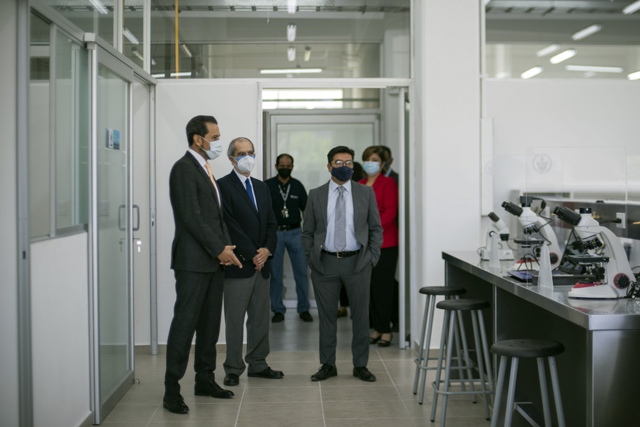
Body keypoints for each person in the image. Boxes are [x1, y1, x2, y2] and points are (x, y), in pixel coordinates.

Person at [163, 115, 242, 415]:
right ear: (199, 138)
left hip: (213, 262)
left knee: (210, 326)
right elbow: (191, 217)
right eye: (215, 136)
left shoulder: (205, 168)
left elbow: (215, 217)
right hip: (193, 263)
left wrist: (225, 248)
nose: (218, 141)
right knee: (185, 325)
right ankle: (172, 391)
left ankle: (204, 380)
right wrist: (218, 249)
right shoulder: (184, 169)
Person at [302, 146, 384, 382]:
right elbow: (307, 231)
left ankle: (360, 365)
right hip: (324, 264)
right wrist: (311, 258)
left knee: (360, 316)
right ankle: (328, 364)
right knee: (327, 318)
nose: (345, 166)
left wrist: (371, 258)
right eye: (339, 162)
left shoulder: (365, 193)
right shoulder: (316, 194)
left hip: (357, 263)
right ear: (329, 166)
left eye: (349, 162)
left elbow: (376, 229)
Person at [217, 137, 283, 387]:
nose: (248, 157)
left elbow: (271, 223)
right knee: (235, 319)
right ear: (232, 158)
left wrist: (267, 250)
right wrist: (252, 253)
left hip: (262, 265)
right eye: (242, 153)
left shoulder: (262, 187)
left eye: (251, 153)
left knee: (259, 318)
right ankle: (233, 368)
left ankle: (258, 363)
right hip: (238, 265)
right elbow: (228, 225)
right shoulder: (222, 186)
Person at [265, 154, 313, 323]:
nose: (285, 168)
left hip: (295, 233)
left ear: (292, 167)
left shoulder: (298, 186)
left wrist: (308, 233)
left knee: (301, 272)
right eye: (282, 165)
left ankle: (304, 309)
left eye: (288, 165)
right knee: (276, 274)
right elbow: (263, 211)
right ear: (276, 166)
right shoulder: (268, 186)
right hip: (275, 234)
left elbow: (306, 210)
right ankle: (278, 309)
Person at [360, 146, 399, 347]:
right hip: (364, 245)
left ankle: (386, 330)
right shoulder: (359, 184)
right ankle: (376, 328)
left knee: (383, 288)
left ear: (383, 163)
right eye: (367, 159)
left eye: (374, 159)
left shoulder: (389, 183)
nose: (370, 162)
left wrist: (368, 230)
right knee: (370, 288)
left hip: (386, 244)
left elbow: (390, 214)